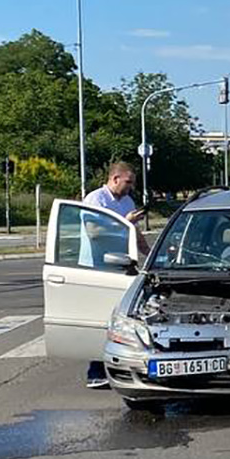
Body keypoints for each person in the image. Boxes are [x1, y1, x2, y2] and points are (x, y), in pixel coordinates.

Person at [81, 161, 148, 389]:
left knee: (122, 319)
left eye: (133, 183)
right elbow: (94, 232)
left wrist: (149, 254)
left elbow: (134, 232)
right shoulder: (96, 199)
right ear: (115, 178)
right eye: (128, 182)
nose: (130, 187)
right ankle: (95, 372)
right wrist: (124, 222)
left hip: (122, 265)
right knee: (101, 319)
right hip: (97, 267)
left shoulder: (127, 201)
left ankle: (122, 367)